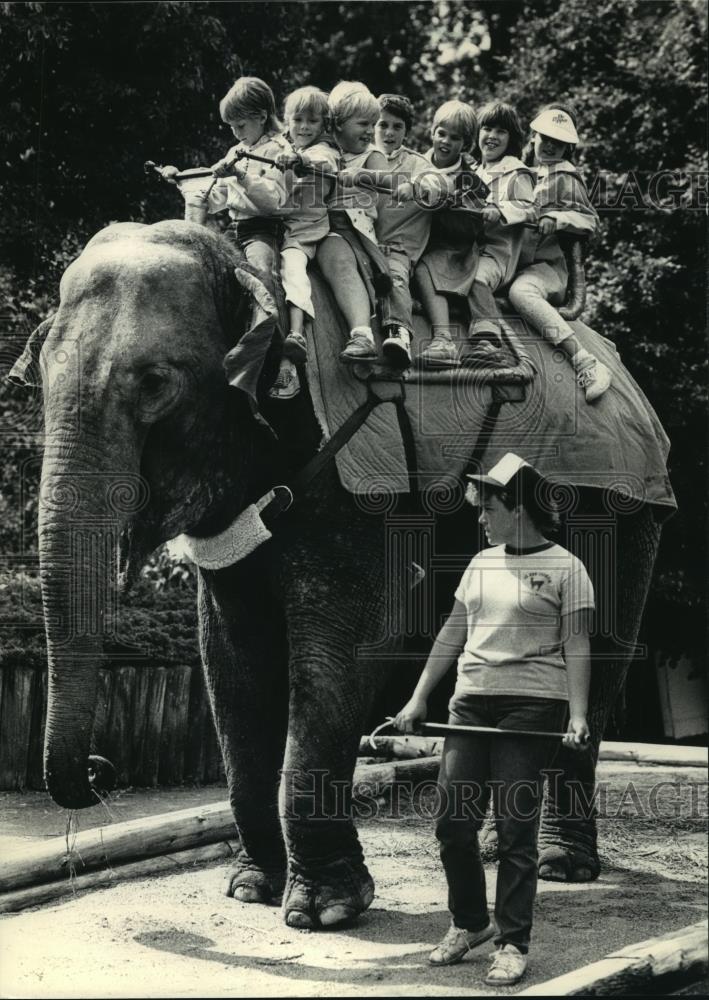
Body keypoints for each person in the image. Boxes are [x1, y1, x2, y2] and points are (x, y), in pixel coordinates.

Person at [394, 452, 593, 987]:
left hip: (532, 706)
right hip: (470, 701)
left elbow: (577, 643)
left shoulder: (566, 567)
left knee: (514, 829)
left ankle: (512, 942)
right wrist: (418, 700)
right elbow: (452, 634)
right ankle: (469, 923)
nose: (481, 518)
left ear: (518, 505)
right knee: (453, 824)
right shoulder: (480, 563)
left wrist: (577, 714)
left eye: (489, 507)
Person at [418, 101, 536, 367]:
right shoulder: (475, 172)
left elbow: (530, 209)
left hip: (497, 251)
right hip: (470, 245)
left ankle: (488, 339)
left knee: (477, 277)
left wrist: (501, 209)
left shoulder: (516, 171)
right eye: (487, 128)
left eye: (501, 132)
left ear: (512, 138)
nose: (492, 136)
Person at [508, 105, 608, 402]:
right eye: (545, 138)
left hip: (545, 269)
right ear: (533, 137)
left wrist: (560, 219)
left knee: (521, 293)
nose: (550, 146)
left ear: (567, 148)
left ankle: (583, 360)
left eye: (558, 142)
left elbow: (591, 222)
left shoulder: (566, 176)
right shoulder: (520, 172)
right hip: (509, 261)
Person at [317, 81, 404, 365]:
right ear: (338, 124)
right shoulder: (323, 150)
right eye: (363, 124)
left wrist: (360, 176)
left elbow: (391, 182)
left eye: (373, 124)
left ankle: (362, 334)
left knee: (337, 257)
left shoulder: (371, 156)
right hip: (310, 223)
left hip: (348, 227)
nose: (370, 131)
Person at [271, 85, 339, 399]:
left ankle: (296, 333)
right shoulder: (280, 148)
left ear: (323, 125)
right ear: (287, 120)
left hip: (306, 233)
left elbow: (325, 164)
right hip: (281, 229)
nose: (303, 127)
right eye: (297, 120)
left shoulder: (323, 150)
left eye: (312, 121)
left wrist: (297, 160)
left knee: (293, 270)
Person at [413, 99, 481, 368]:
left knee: (423, 269)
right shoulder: (416, 164)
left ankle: (443, 340)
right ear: (432, 132)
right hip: (414, 239)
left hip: (451, 249)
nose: (445, 142)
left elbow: (472, 228)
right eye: (441, 133)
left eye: (455, 138)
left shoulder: (469, 180)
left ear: (465, 144)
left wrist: (454, 206)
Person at [373, 94, 432, 365]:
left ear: (406, 130)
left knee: (394, 275)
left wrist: (416, 186)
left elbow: (438, 182)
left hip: (395, 248)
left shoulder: (416, 163)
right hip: (361, 244)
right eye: (382, 124)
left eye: (397, 126)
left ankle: (399, 334)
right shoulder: (359, 157)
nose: (389, 132)